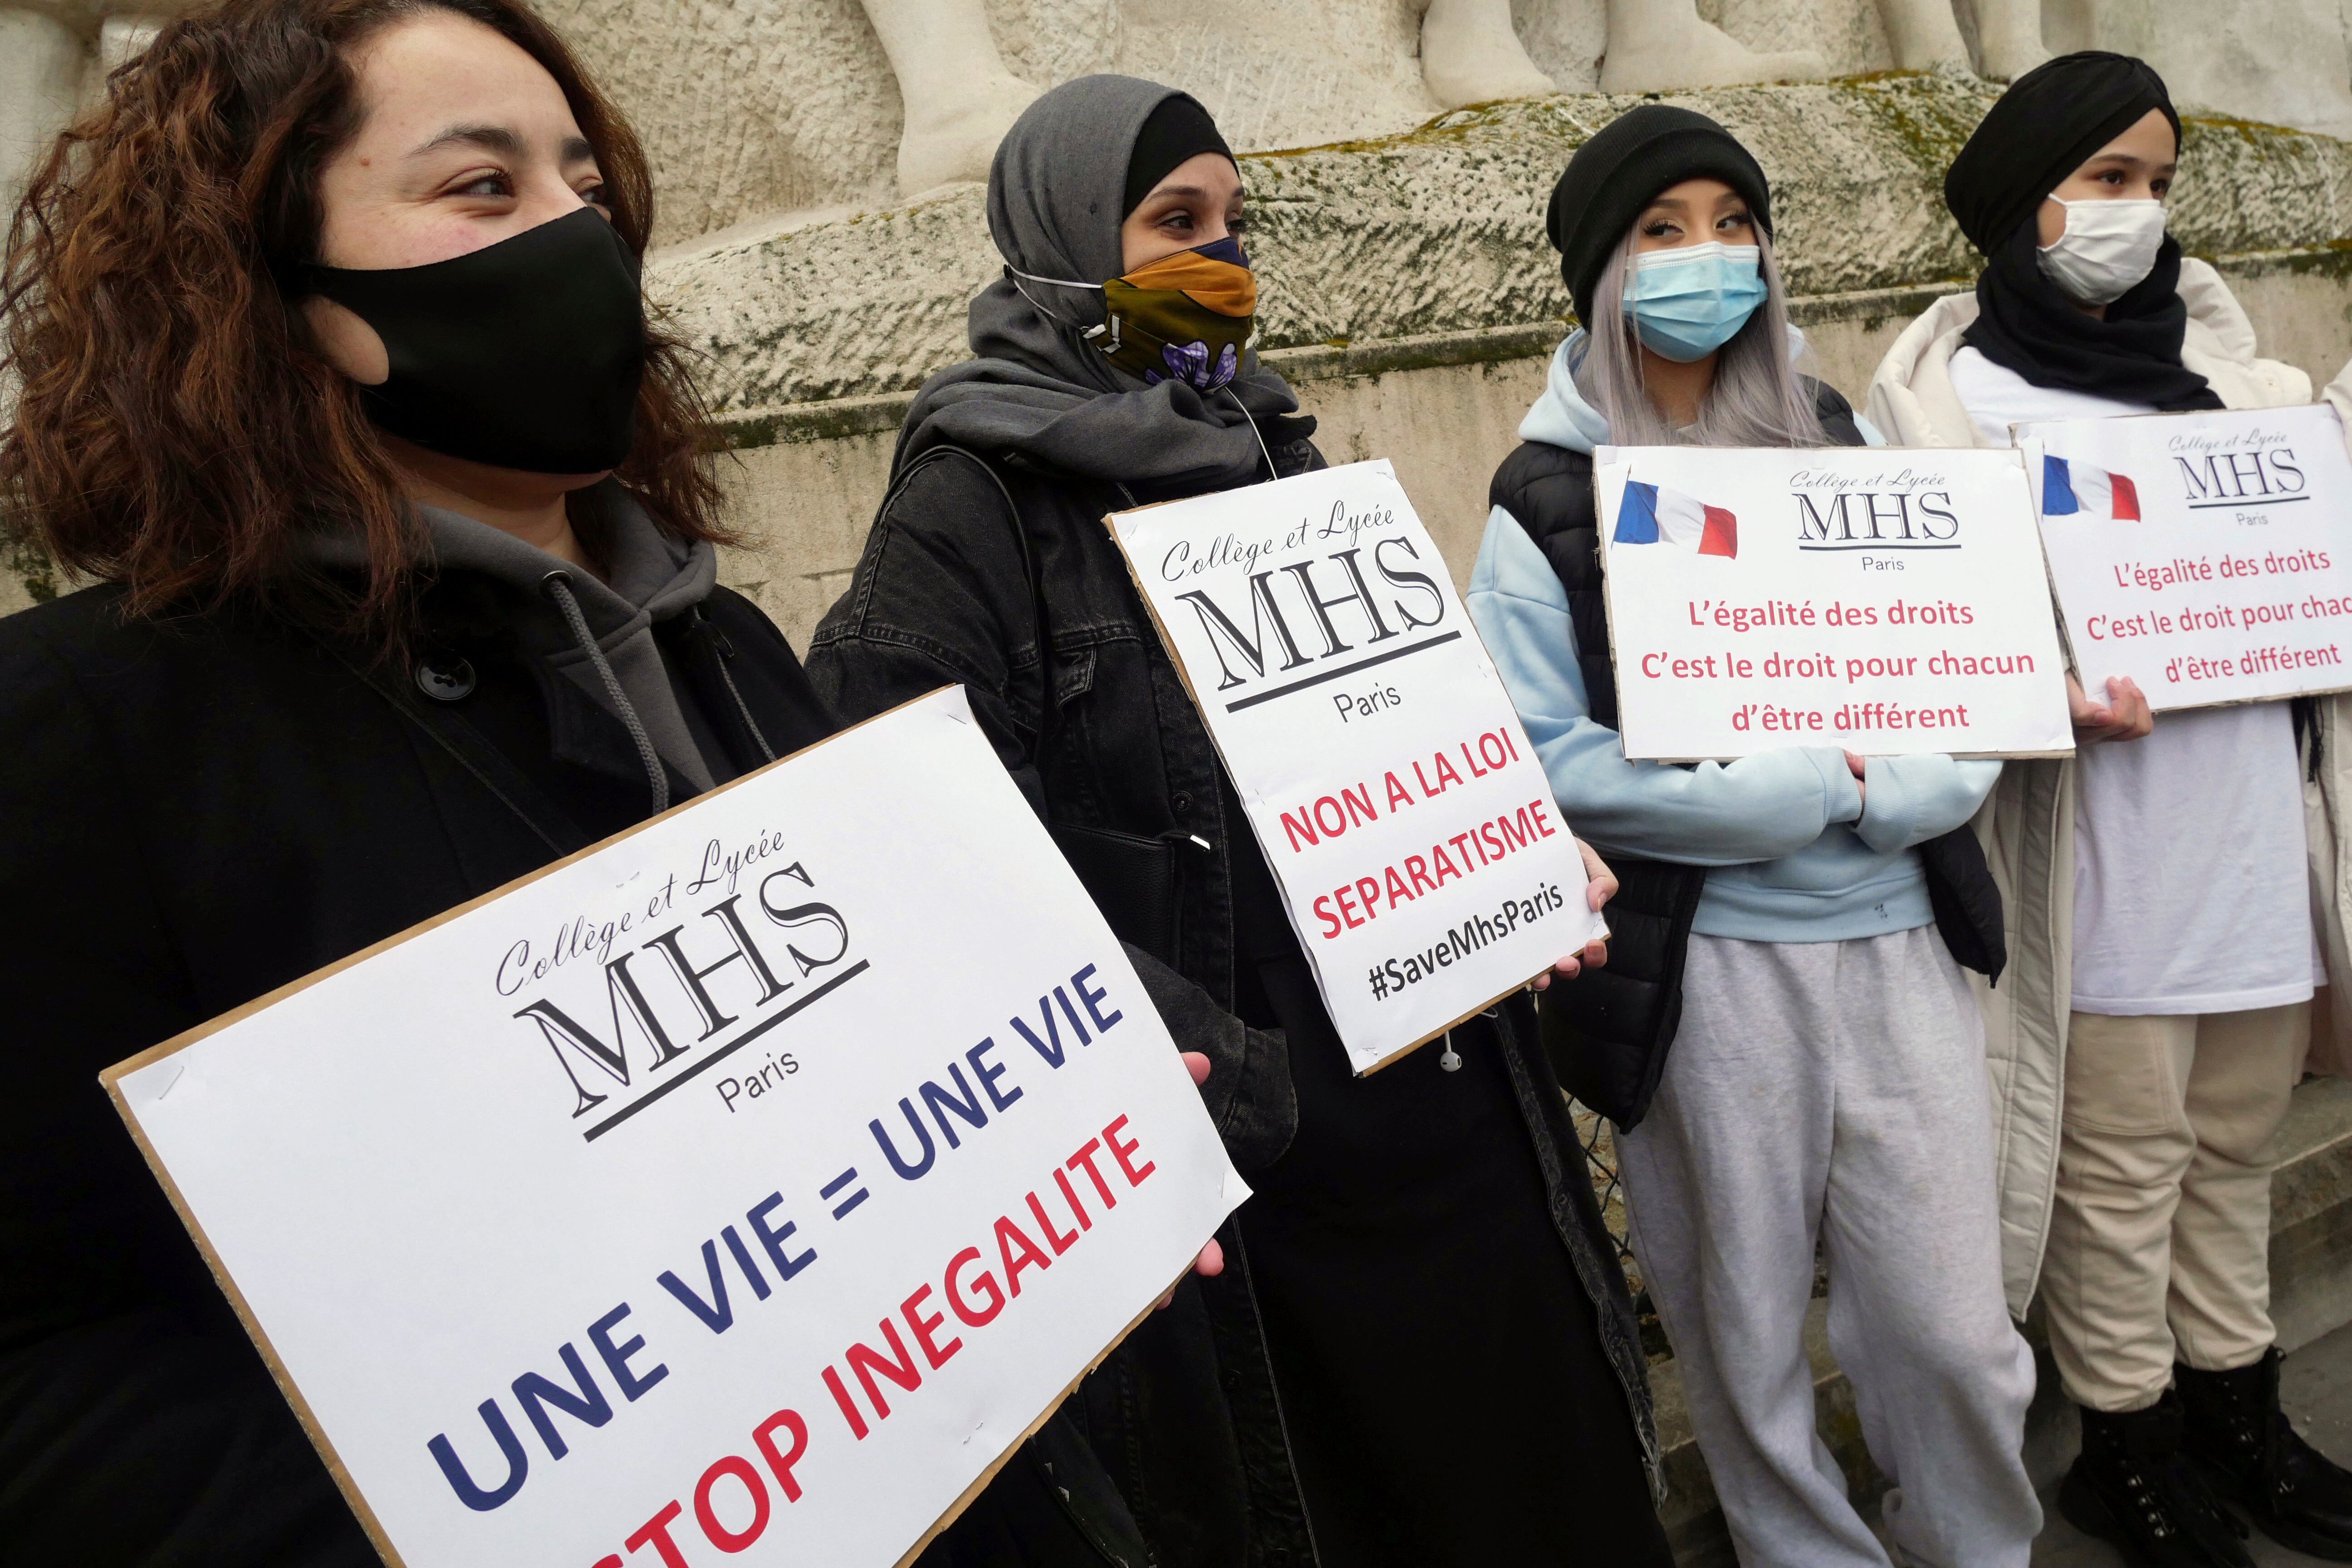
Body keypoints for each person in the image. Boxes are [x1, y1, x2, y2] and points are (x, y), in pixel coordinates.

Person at [0, 0, 848, 1558]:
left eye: (587, 189)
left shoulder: (724, 641)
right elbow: (50, 1376)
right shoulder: (84, 737)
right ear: (269, 280)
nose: (577, 237)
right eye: (484, 188)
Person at [808, 72, 1674, 1568]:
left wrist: (1517, 853)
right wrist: (1172, 1045)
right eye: (1172, 222)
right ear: (1061, 237)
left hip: (1456, 1103)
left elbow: (1402, 729)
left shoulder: (1276, 447)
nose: (1217, 260)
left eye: (1234, 223)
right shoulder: (971, 507)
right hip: (1259, 1151)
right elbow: (898, 839)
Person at [1473, 104, 2042, 1568]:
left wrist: (1886, 791)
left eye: (1733, 223)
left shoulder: (1840, 437)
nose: (1706, 258)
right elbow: (1543, 761)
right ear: (1602, 271)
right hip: (1704, 981)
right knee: (1741, 1340)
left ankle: (1972, 1542)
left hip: (1905, 945)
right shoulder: (1543, 495)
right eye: (1661, 231)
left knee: (1953, 1332)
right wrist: (1784, 792)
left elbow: (1964, 682)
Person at [1869, 52, 2352, 1568]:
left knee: (2233, 1147)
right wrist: (2031, 679)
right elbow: (1910, 642)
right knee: (2119, 1173)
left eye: (2153, 182)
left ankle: (2239, 1417)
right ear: (2024, 204)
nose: (2132, 214)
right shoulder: (1944, 414)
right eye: (2102, 181)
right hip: (2100, 864)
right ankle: (2125, 1448)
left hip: (2250, 847)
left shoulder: (2248, 393)